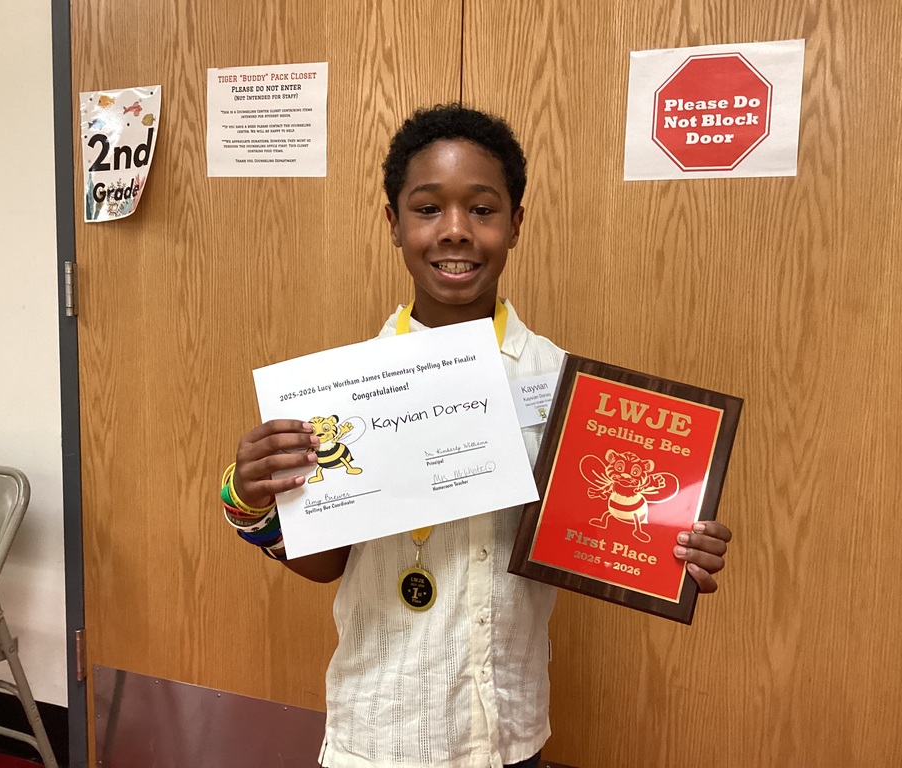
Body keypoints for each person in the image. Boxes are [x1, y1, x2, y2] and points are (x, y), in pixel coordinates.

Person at [224, 104, 733, 768]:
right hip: (380, 734)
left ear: (516, 224)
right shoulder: (341, 395)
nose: (456, 232)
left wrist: (676, 542)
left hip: (508, 734)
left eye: (483, 211)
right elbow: (326, 565)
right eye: (428, 209)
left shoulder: (562, 385)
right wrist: (253, 500)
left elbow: (610, 530)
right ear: (394, 224)